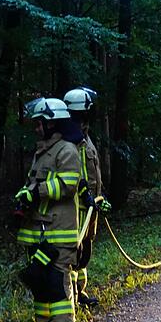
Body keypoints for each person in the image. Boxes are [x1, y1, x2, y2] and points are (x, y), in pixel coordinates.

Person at [15, 98, 82, 322]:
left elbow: (68, 184)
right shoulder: (42, 152)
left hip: (58, 232)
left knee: (56, 284)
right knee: (40, 286)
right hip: (40, 233)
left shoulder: (67, 151)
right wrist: (24, 196)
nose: (36, 128)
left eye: (39, 123)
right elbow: (33, 184)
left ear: (52, 123)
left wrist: (38, 192)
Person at [64, 86, 111, 308]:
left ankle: (80, 292)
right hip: (76, 209)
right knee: (75, 253)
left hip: (91, 206)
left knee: (85, 253)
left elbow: (93, 170)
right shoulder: (70, 140)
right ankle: (72, 296)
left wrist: (101, 195)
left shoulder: (85, 135)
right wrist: (85, 195)